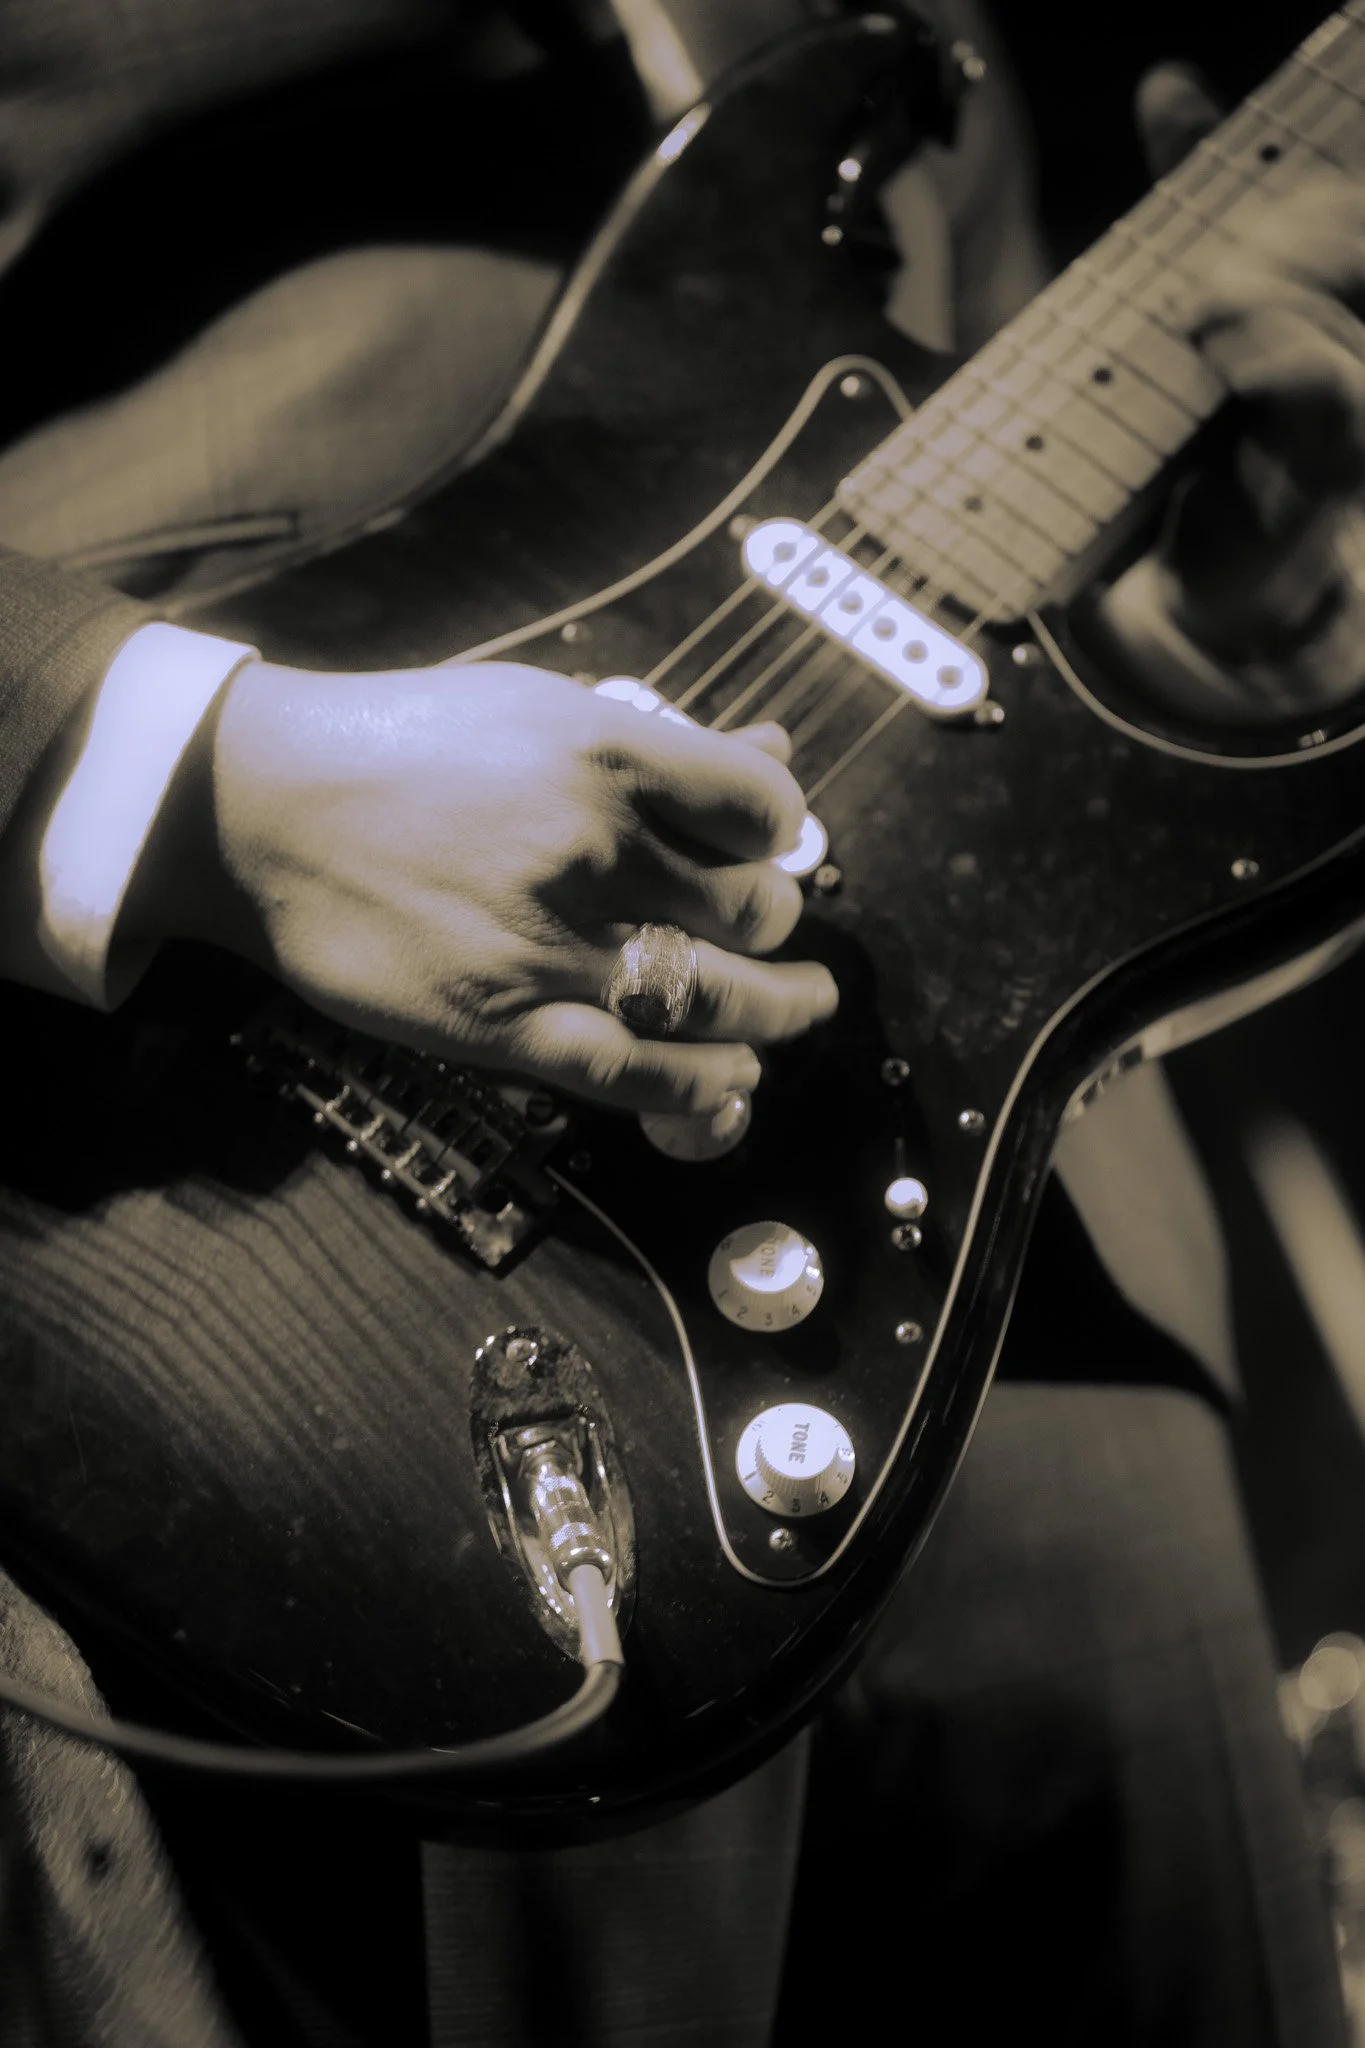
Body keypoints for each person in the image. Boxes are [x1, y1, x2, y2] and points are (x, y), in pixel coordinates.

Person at [0, 2, 1358, 2042]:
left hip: (1006, 1248)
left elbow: (983, 591)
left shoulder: (916, 61)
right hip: (231, 1144)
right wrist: (195, 781)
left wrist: (1192, 660)